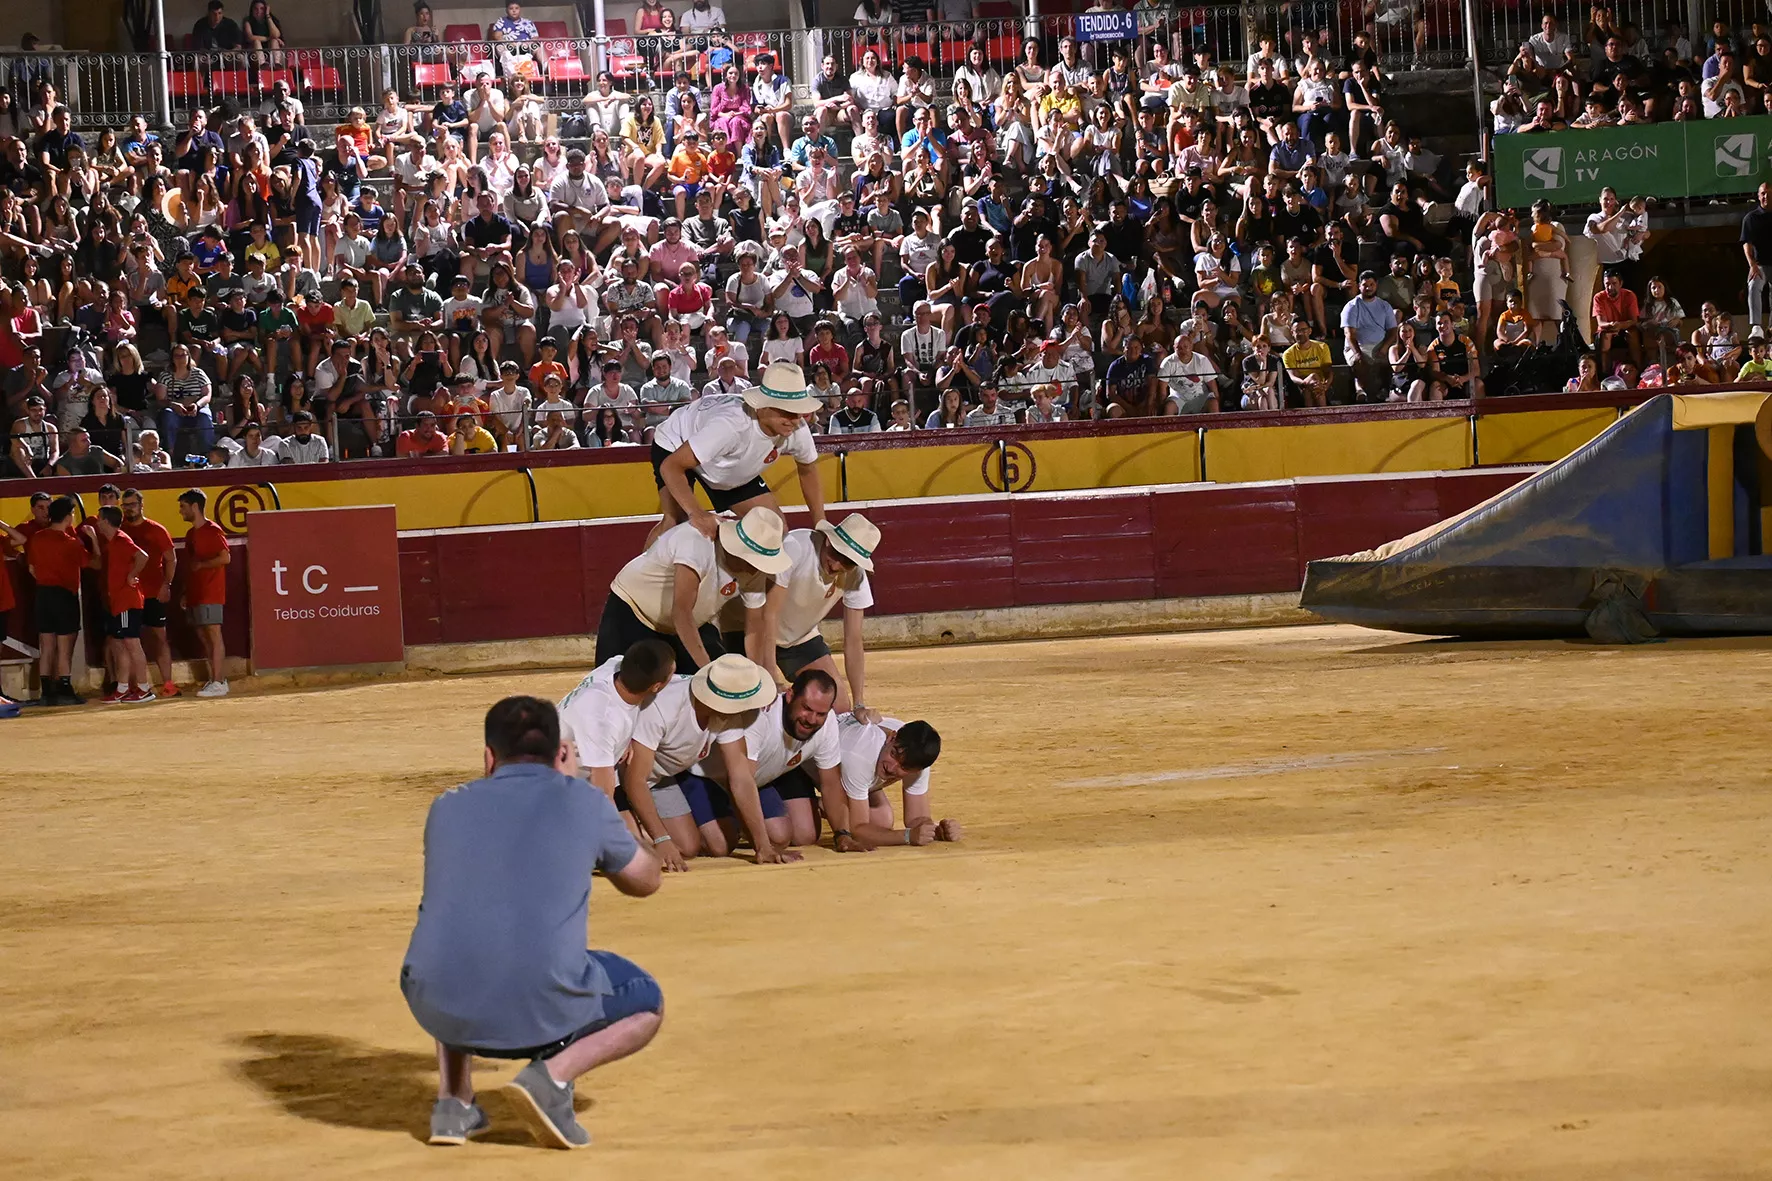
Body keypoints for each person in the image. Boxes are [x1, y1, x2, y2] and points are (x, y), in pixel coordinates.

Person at [401, 695, 664, 1151]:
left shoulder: (445, 806)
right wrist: (573, 792)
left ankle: (453, 1102)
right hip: (538, 1006)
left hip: (436, 998)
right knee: (646, 1002)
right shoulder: (582, 800)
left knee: (464, 938)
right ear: (561, 752)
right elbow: (645, 881)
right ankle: (551, 1077)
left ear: (488, 757)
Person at [617, 653, 785, 871]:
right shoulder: (662, 707)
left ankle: (629, 826)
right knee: (664, 846)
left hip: (661, 778)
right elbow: (634, 779)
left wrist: (763, 846)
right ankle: (611, 828)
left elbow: (741, 777)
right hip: (620, 777)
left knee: (687, 847)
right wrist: (660, 839)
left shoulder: (728, 713)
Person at [595, 505, 793, 673]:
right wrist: (706, 670)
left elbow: (755, 626)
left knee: (715, 690)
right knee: (619, 689)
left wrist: (759, 674)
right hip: (632, 613)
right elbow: (681, 611)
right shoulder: (696, 542)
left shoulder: (755, 568)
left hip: (688, 627)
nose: (758, 568)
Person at [717, 512, 879, 714]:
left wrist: (859, 703)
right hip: (748, 629)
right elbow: (769, 614)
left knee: (838, 706)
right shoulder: (797, 546)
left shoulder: (857, 575)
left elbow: (854, 639)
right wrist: (770, 676)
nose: (837, 565)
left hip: (799, 637)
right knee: (748, 703)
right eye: (837, 554)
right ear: (828, 539)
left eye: (848, 562)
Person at [648, 362, 823, 543]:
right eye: (785, 411)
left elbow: (808, 469)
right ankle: (640, 571)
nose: (794, 420)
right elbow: (671, 466)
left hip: (725, 460)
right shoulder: (730, 425)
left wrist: (821, 523)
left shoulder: (798, 429)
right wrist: (697, 513)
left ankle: (736, 571)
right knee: (674, 522)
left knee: (773, 529)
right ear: (761, 406)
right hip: (677, 442)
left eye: (798, 411)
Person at [688, 667, 852, 852]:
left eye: (821, 713)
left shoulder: (827, 723)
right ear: (790, 695)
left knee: (785, 837)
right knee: (719, 845)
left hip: (756, 780)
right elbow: (740, 781)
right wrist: (762, 847)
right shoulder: (760, 717)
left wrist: (843, 834)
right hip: (707, 777)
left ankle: (727, 821)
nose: (812, 719)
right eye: (806, 708)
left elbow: (831, 782)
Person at [557, 639, 678, 796]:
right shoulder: (603, 723)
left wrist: (624, 739)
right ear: (656, 687)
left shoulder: (618, 664)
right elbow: (603, 798)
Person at [834, 715, 962, 849]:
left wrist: (936, 831)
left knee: (882, 820)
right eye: (893, 754)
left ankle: (828, 805)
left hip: (854, 774)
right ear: (891, 737)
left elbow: (917, 818)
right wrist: (907, 837)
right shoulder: (860, 757)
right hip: (815, 772)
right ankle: (824, 804)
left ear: (917, 770)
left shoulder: (917, 757)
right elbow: (857, 831)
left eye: (904, 768)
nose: (891, 767)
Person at [24, 495, 94, 706]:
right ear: (68, 516)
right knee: (64, 647)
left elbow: (32, 568)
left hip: (43, 594)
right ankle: (64, 688)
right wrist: (94, 542)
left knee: (47, 646)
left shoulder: (37, 537)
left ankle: (46, 693)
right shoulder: (71, 543)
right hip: (64, 595)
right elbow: (92, 563)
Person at [89, 507, 154, 705]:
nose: (97, 523)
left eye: (99, 519)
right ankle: (123, 688)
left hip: (127, 601)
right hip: (119, 601)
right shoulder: (115, 541)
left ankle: (143, 688)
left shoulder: (121, 539)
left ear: (106, 521)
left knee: (130, 643)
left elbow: (143, 556)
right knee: (121, 645)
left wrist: (132, 575)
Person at [119, 488, 179, 698]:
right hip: (130, 594)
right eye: (125, 505)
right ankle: (136, 686)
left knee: (158, 638)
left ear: (141, 505)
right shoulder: (121, 530)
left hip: (153, 592)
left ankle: (168, 684)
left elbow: (171, 558)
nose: (128, 509)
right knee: (130, 640)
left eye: (132, 504)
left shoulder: (156, 529)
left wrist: (166, 585)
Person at [177, 488, 230, 698]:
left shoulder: (213, 530)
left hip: (211, 591)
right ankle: (215, 678)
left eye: (183, 507)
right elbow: (192, 566)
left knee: (213, 634)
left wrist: (203, 565)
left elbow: (225, 558)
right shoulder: (192, 534)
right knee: (204, 634)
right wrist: (185, 592)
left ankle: (219, 681)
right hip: (197, 592)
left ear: (195, 507)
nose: (181, 511)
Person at [1742, 181, 1772, 330]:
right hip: (1759, 264)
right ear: (1759, 196)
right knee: (1753, 285)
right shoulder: (1751, 218)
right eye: (1763, 193)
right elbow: (1747, 243)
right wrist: (1752, 265)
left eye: (1770, 193)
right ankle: (1756, 327)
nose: (1766, 196)